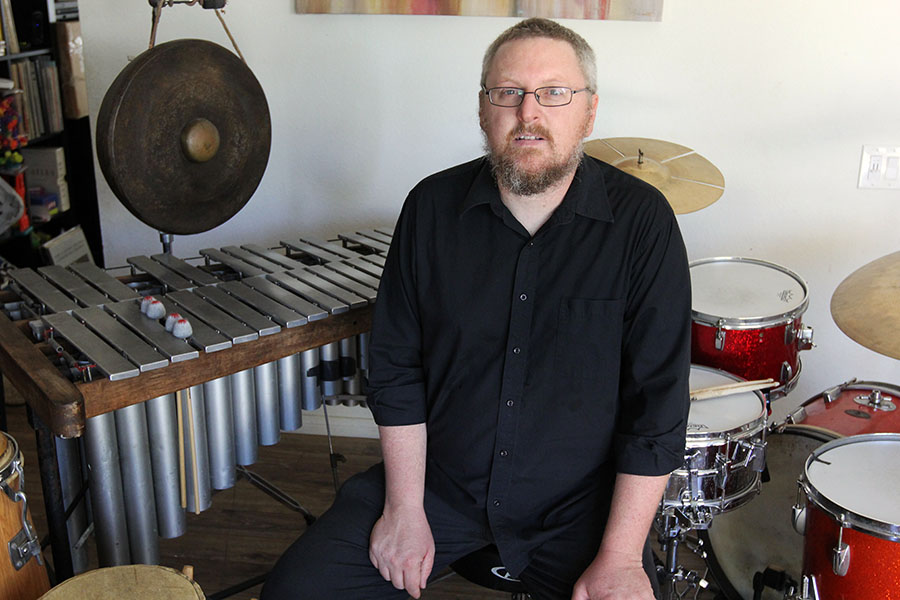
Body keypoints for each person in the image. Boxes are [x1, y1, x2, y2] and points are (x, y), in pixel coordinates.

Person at [262, 17, 690, 600]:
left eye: (553, 93)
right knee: (297, 591)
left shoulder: (644, 223)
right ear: (484, 109)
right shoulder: (430, 208)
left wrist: (618, 556)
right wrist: (404, 508)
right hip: (439, 487)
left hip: (579, 508)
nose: (528, 113)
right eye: (507, 92)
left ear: (589, 112)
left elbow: (656, 407)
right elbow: (396, 369)